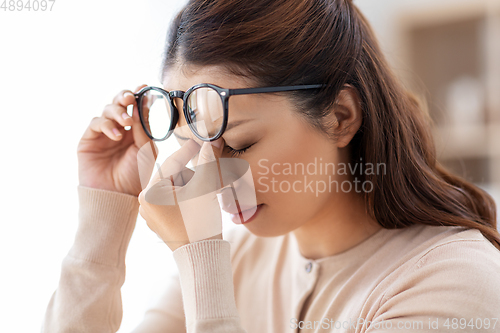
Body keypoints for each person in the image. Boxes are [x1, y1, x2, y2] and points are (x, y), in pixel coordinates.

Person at [41, 0, 500, 332]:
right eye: (192, 146)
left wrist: (202, 264)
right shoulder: (241, 258)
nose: (210, 179)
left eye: (239, 145)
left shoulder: (454, 283)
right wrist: (103, 219)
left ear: (341, 116)